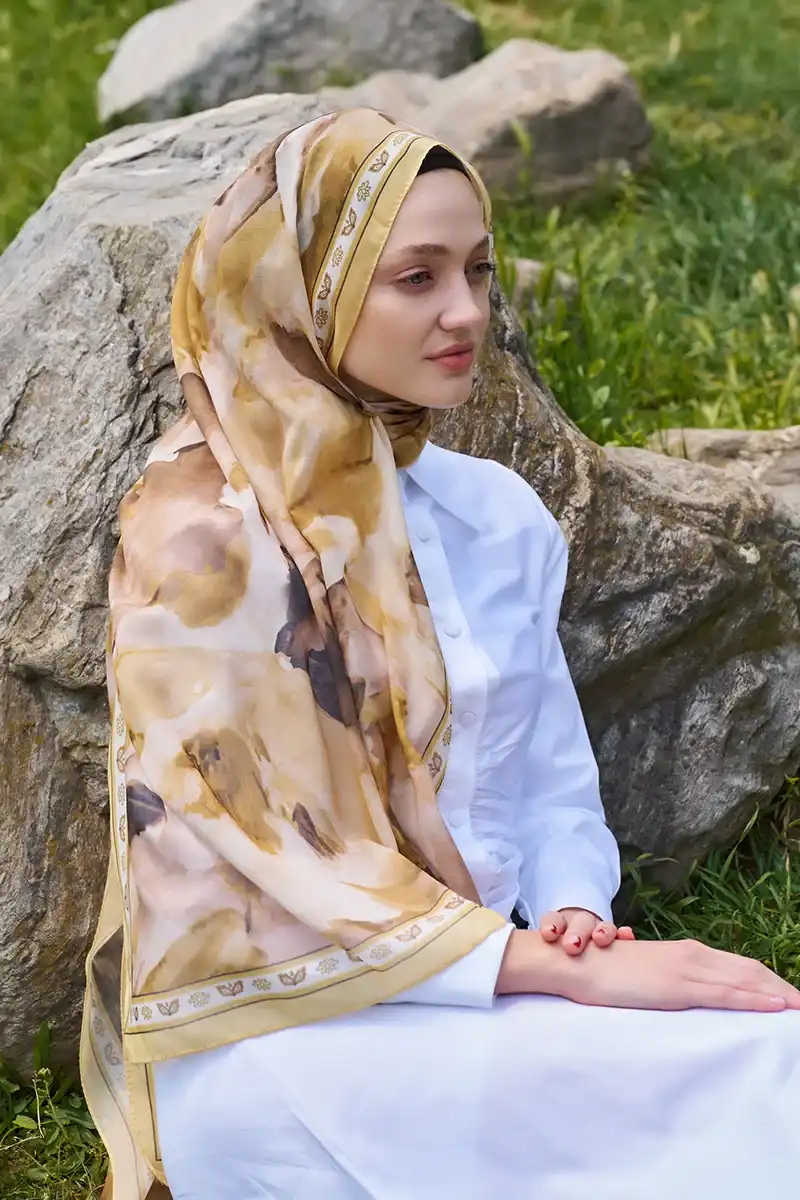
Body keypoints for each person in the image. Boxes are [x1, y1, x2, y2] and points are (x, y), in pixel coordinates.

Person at [81, 108, 800, 1200]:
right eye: (415, 278)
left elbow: (547, 777)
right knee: (756, 1078)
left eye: (476, 270)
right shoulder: (198, 538)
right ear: (304, 290)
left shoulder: (496, 513)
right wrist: (548, 971)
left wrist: (575, 915)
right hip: (289, 1032)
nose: (466, 311)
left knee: (760, 1058)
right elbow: (268, 860)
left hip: (498, 987)